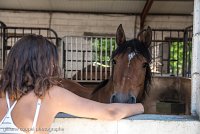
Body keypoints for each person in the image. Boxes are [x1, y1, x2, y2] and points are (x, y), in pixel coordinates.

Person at [0, 34, 144, 134]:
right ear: (43, 64)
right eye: (52, 61)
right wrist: (142, 106)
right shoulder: (51, 94)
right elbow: (111, 112)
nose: (54, 66)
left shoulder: (2, 93)